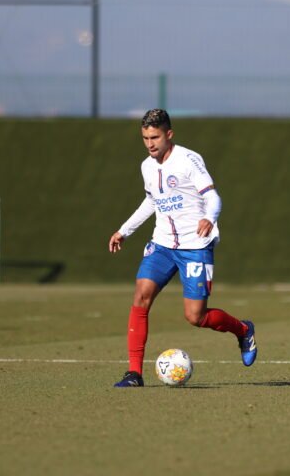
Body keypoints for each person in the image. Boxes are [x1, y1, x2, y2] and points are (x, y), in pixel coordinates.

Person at [108, 108, 257, 387]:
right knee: (141, 295)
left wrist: (209, 218)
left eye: (155, 137)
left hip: (195, 246)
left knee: (195, 316)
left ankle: (243, 329)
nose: (150, 143)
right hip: (162, 243)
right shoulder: (147, 166)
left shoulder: (189, 160)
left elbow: (213, 197)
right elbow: (152, 201)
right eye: (145, 138)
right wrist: (124, 230)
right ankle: (134, 373)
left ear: (169, 134)